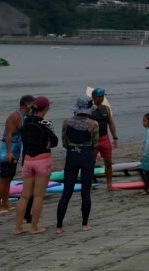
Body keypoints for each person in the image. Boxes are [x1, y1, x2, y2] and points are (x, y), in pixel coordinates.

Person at [14, 96, 57, 235]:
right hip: (42, 159)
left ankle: (18, 228)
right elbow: (55, 141)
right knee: (38, 195)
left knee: (24, 196)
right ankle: (34, 227)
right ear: (45, 109)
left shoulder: (25, 122)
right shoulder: (45, 123)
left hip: (27, 160)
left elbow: (24, 139)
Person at [56, 97, 98, 234]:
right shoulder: (93, 124)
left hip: (72, 155)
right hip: (87, 156)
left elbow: (64, 143)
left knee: (66, 191)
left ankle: (59, 226)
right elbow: (94, 144)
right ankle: (84, 224)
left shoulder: (66, 123)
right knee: (85, 191)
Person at [0, 94, 34, 215]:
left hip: (15, 151)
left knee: (9, 179)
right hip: (7, 151)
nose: (32, 107)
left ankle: (5, 204)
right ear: (25, 104)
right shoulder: (14, 116)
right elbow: (8, 135)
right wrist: (9, 152)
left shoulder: (24, 116)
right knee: (3, 179)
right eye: (31, 104)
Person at [89, 88, 119, 191]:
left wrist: (115, 137)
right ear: (94, 97)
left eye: (103, 96)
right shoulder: (89, 109)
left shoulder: (106, 109)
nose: (102, 98)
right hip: (93, 140)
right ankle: (89, 185)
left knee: (108, 163)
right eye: (100, 96)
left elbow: (111, 123)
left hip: (105, 138)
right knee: (90, 163)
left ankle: (109, 185)